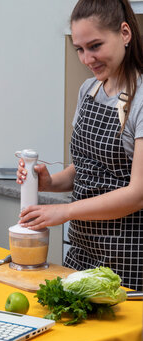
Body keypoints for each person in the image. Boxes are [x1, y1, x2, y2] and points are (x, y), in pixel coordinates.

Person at [16, 0, 143, 291]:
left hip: (129, 261)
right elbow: (87, 170)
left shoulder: (140, 101)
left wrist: (65, 212)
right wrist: (49, 182)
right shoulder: (88, 90)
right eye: (80, 49)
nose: (87, 59)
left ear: (124, 33)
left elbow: (137, 194)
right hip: (82, 254)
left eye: (95, 46)